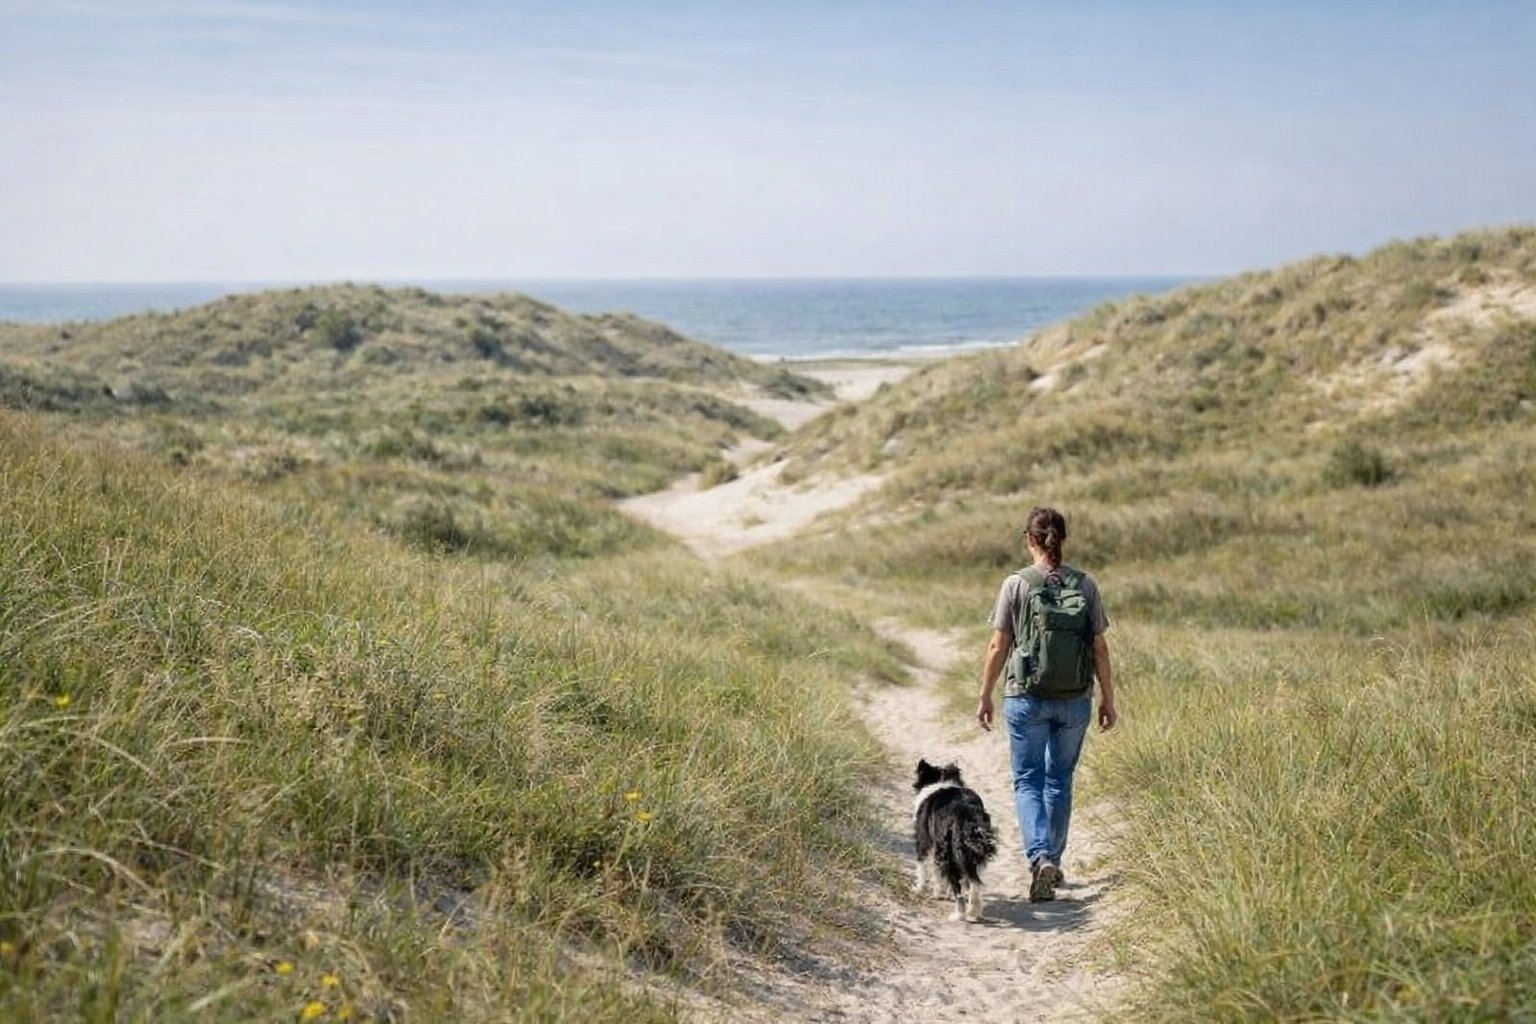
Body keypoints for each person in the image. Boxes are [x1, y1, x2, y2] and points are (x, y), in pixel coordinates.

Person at [975, 506, 1116, 902]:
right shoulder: (1085, 585)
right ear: (1063, 539)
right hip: (1075, 700)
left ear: (1029, 540)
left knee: (1027, 780)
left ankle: (1039, 859)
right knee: (1060, 780)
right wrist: (1108, 698)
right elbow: (1100, 648)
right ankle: (1052, 857)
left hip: (1026, 698)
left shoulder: (1015, 584)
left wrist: (985, 694)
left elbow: (998, 645)